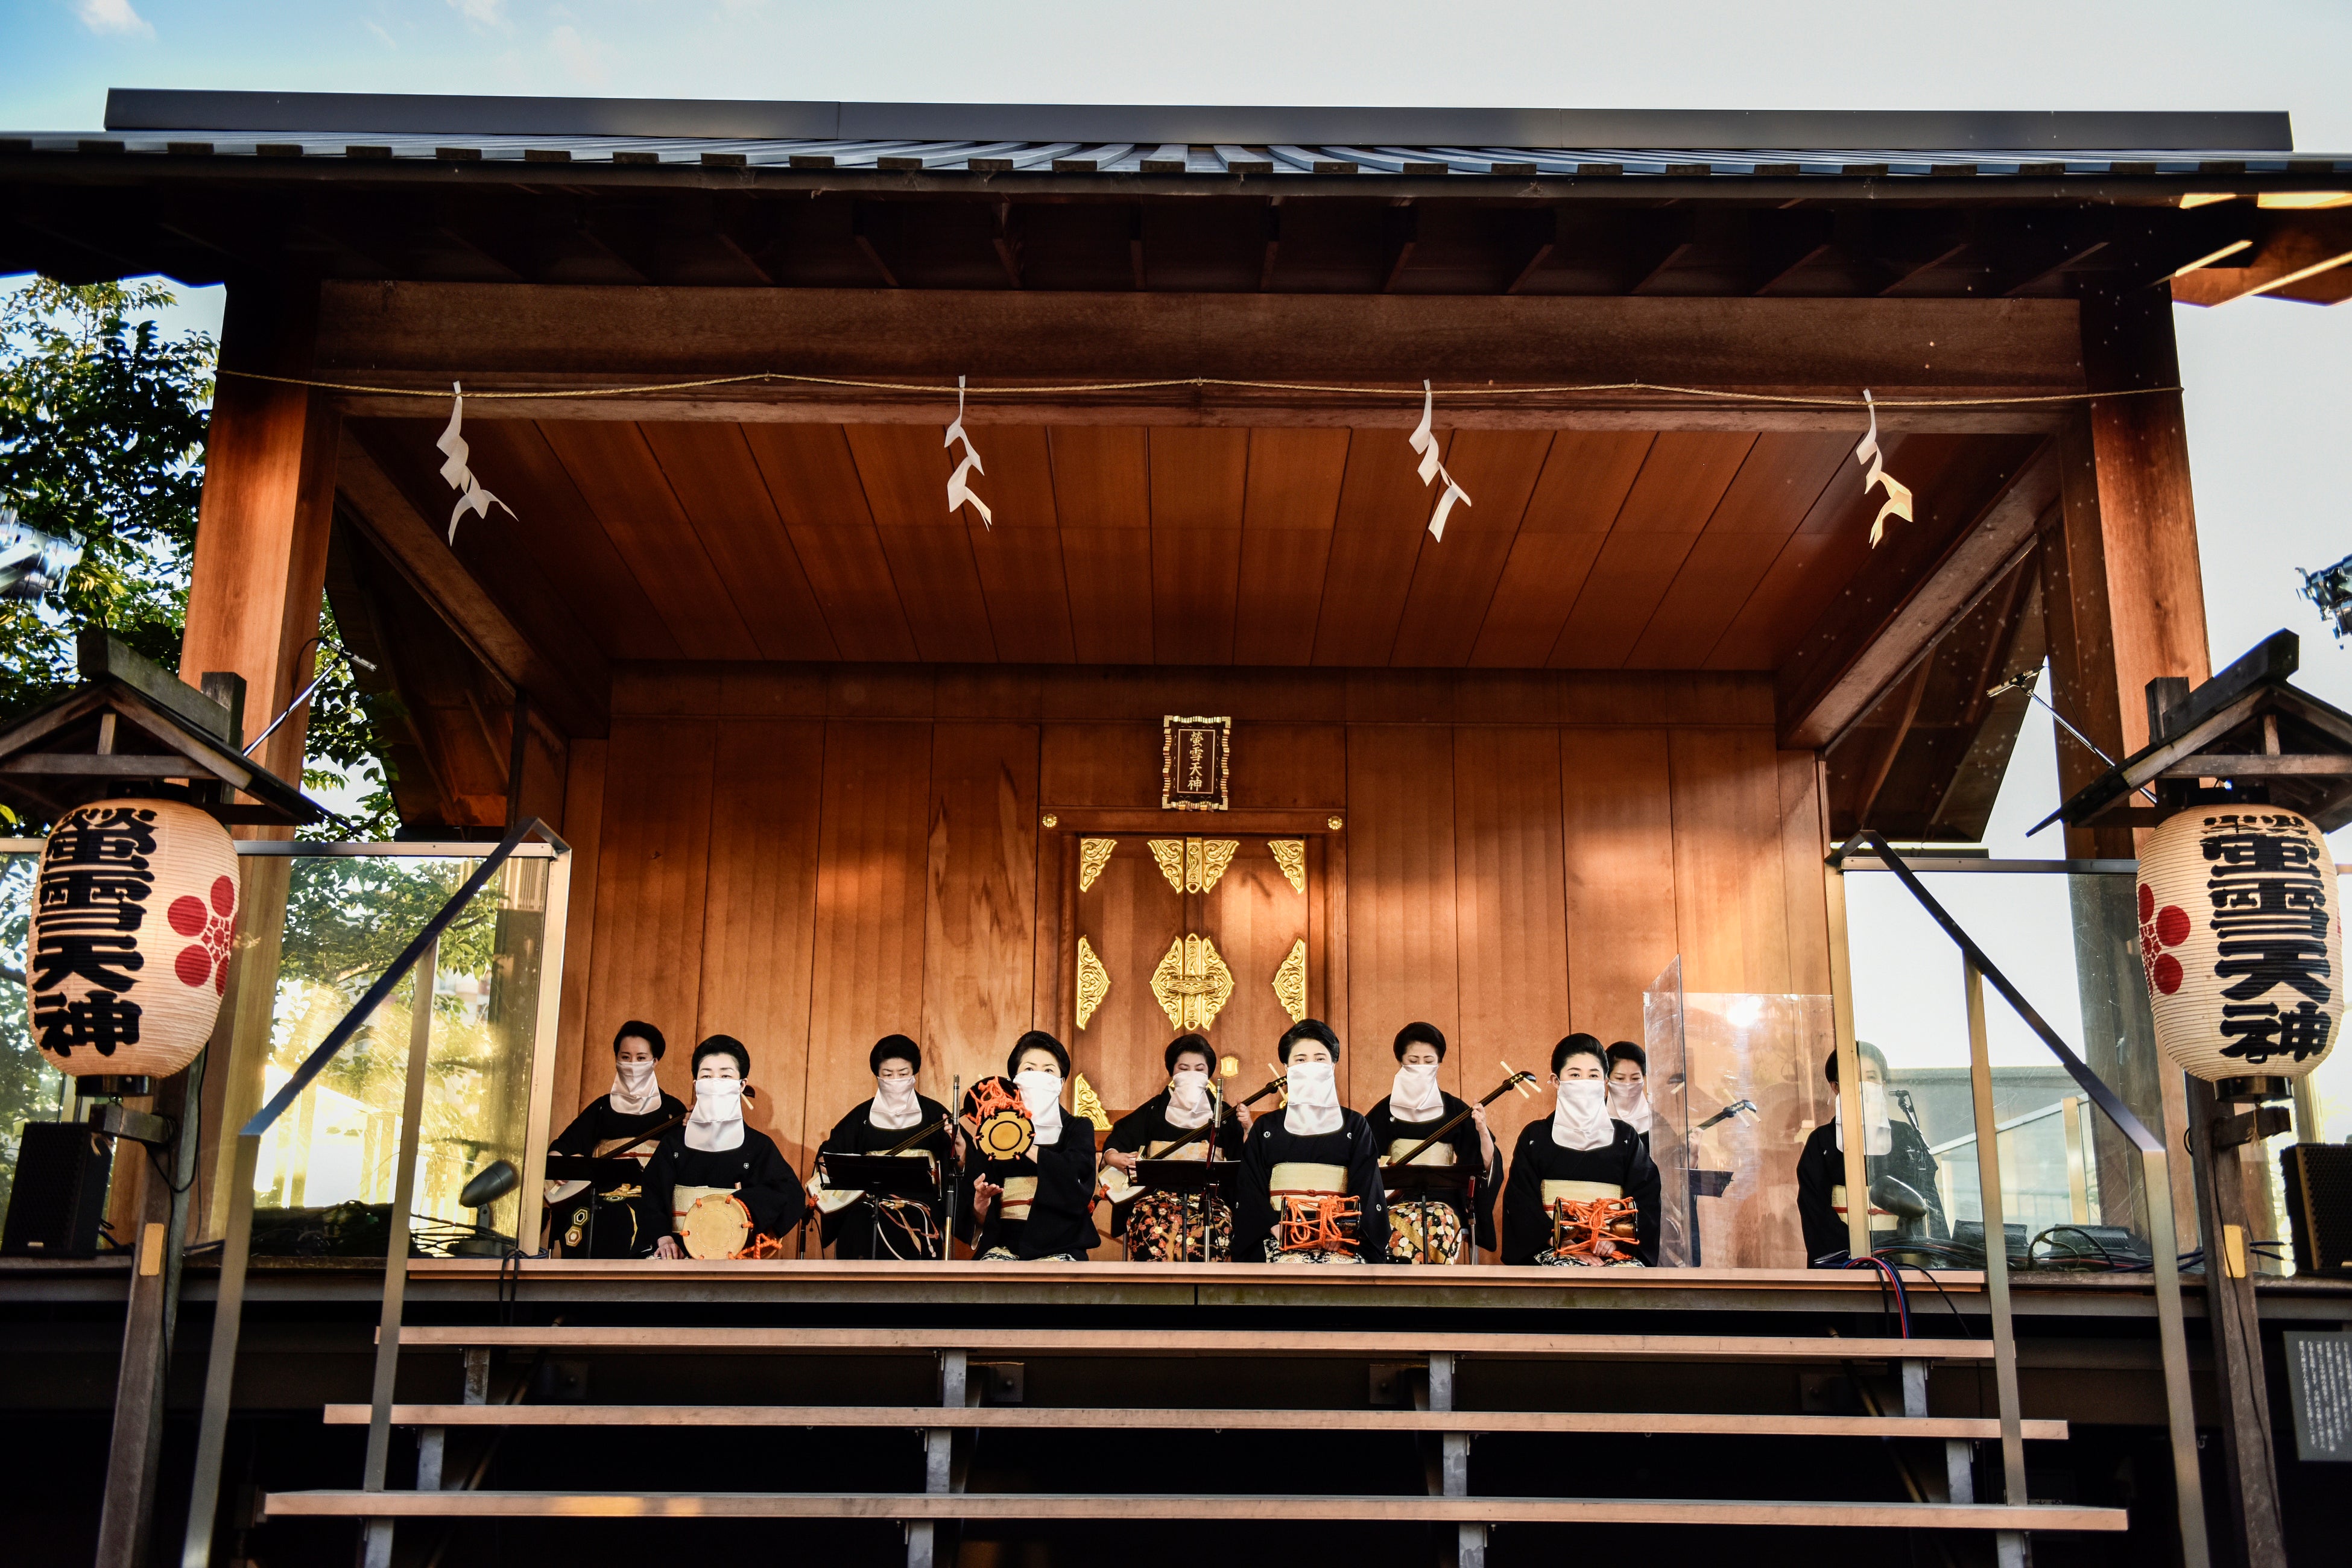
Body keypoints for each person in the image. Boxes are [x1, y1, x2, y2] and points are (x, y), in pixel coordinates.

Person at [1235, 1019, 1388, 1265]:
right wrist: (1274, 1227)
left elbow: (1366, 1186)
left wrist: (1343, 1232)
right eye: (1300, 1060)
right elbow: (1250, 1186)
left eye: (1320, 1059)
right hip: (1277, 1234)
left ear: (1333, 1065)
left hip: (1340, 1237)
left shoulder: (1355, 1125)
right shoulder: (1266, 1127)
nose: (1310, 1067)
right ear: (1286, 1067)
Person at [1502, 1033, 1661, 1266]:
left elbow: (1646, 1197)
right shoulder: (1535, 1137)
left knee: (1627, 1282)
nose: (1585, 1082)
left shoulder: (1626, 1138)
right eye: (1575, 1075)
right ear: (1556, 1081)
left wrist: (1615, 1241)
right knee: (1567, 1274)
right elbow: (1520, 1201)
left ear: (1605, 1082)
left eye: (1594, 1075)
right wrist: (1561, 1242)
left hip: (1614, 1248)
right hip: (1554, 1247)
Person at [643, 1034, 805, 1259]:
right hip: (677, 1252)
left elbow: (790, 1194)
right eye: (707, 1076)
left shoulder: (758, 1146)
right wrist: (664, 1239)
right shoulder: (674, 1143)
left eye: (725, 1075)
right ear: (696, 1084)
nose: (715, 1082)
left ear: (742, 1085)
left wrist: (738, 1211)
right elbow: (652, 1192)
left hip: (735, 1254)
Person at [1795, 1040, 1949, 1268]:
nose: (1864, 1085)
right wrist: (1856, 1257)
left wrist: (1932, 1255)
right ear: (1836, 1087)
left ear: (1883, 1084)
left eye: (1871, 1078)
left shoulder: (1906, 1136)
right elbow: (1815, 1210)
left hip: (1906, 1261)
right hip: (1846, 1262)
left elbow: (1927, 1200)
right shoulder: (1821, 1141)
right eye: (1854, 1078)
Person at [1102, 1032, 1249, 1260]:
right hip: (1156, 1198)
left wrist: (1248, 1128)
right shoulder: (1153, 1111)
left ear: (1209, 1072)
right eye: (1184, 1068)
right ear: (1172, 1072)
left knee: (1218, 1224)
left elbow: (1243, 1157)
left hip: (1209, 1201)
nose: (1192, 1075)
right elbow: (1119, 1139)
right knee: (1146, 1219)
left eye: (1199, 1069)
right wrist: (1113, 1157)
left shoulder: (1225, 1114)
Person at [546, 1020, 685, 1257]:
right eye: (626, 1057)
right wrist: (558, 1164)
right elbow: (563, 1148)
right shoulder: (601, 1109)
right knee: (595, 1215)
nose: (632, 1065)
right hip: (602, 1196)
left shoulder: (673, 1111)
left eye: (641, 1058)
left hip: (654, 1197)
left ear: (655, 1061)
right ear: (617, 1059)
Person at [812, 1034, 956, 1260]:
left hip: (921, 1207)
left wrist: (959, 1146)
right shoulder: (860, 1117)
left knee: (911, 1218)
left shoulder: (934, 1114)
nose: (895, 1080)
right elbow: (829, 1157)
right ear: (877, 1075)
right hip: (869, 1205)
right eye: (888, 1075)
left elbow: (955, 1164)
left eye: (903, 1074)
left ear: (914, 1073)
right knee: (860, 1218)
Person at [1365, 1022, 1500, 1263]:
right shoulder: (1383, 1111)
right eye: (1413, 1060)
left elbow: (1484, 1164)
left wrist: (1482, 1132)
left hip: (1445, 1202)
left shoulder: (1455, 1109)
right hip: (1396, 1200)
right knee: (1386, 1222)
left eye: (1429, 1061)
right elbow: (1364, 1161)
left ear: (1439, 1063)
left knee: (1439, 1218)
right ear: (1401, 1062)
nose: (1421, 1067)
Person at [964, 1030, 1099, 1262]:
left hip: (1063, 1243)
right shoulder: (993, 1130)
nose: (1038, 1076)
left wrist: (1023, 1144)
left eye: (1048, 1070)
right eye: (1029, 1069)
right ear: (1015, 1080)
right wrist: (980, 1204)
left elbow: (1079, 1178)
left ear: (1061, 1082)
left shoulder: (1078, 1127)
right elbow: (979, 1204)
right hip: (1005, 1244)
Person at [1605, 1040, 1654, 1148]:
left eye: (1635, 1078)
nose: (1628, 1085)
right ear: (1607, 1079)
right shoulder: (1596, 1119)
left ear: (1644, 1079)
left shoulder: (1657, 1122)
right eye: (1620, 1078)